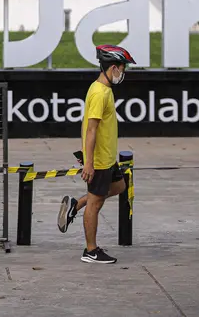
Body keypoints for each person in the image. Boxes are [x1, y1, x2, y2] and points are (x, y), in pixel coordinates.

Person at [56, 44, 136, 264]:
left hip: (108, 158)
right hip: (100, 160)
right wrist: (89, 163)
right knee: (95, 204)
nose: (124, 73)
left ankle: (76, 204)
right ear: (112, 67)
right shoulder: (100, 93)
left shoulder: (104, 90)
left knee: (120, 187)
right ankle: (91, 251)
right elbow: (91, 129)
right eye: (122, 67)